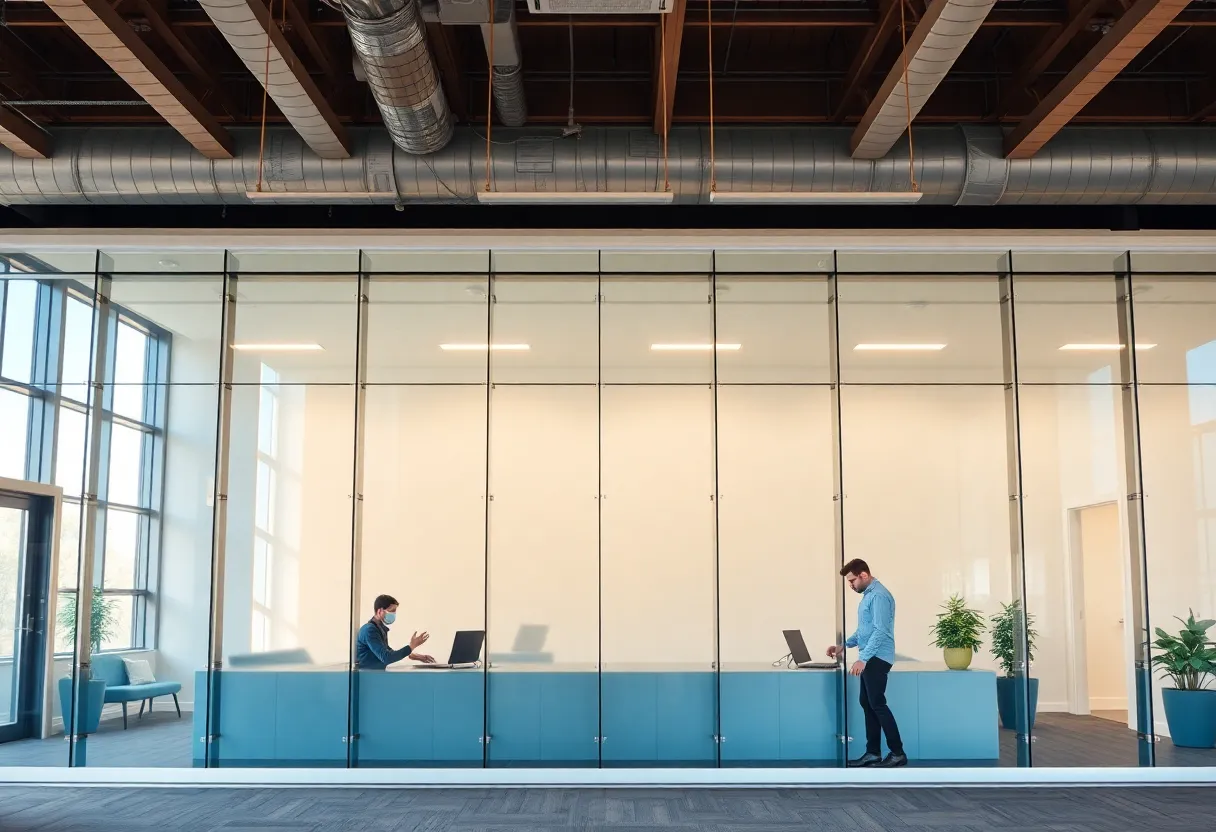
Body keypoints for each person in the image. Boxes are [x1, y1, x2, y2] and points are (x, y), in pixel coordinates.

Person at [827, 559, 906, 768]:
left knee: (877, 704)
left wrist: (863, 658)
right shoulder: (869, 596)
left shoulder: (879, 596)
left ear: (864, 575)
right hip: (871, 657)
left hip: (877, 658)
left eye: (852, 580)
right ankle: (873, 753)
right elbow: (865, 630)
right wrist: (844, 645)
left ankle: (897, 753)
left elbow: (881, 631)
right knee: (868, 703)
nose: (851, 585)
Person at [355, 594, 435, 670]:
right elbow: (386, 657)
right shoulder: (370, 630)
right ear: (379, 611)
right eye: (392, 611)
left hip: (374, 674)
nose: (394, 614)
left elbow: (389, 652)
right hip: (367, 676)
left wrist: (413, 656)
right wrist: (411, 646)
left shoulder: (378, 629)